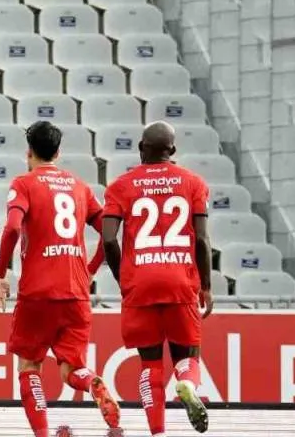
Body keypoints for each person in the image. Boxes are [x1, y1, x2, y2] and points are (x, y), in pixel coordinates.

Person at [0, 121, 120, 437]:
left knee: (28, 366)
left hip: (37, 292)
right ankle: (91, 382)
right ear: (58, 153)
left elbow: (12, 227)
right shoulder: (79, 186)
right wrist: (89, 269)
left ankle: (43, 434)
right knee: (71, 370)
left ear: (28, 152)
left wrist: (0, 274)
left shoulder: (24, 183)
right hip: (75, 291)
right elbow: (110, 231)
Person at [101, 121, 213, 435]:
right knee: (188, 356)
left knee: (150, 366)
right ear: (172, 150)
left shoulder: (121, 186)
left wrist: (124, 279)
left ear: (141, 148)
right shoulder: (193, 182)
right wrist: (206, 286)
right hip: (181, 281)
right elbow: (202, 239)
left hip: (140, 283)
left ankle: (158, 432)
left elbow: (108, 239)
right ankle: (187, 383)